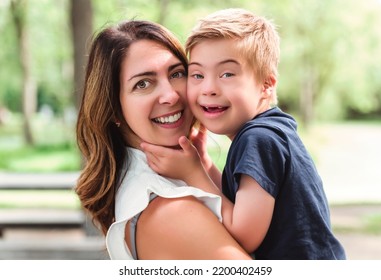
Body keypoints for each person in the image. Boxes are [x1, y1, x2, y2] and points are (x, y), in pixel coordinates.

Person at [141, 8, 346, 259]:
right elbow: (237, 204)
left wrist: (193, 173)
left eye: (227, 74)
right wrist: (205, 164)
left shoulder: (259, 139)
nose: (209, 88)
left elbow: (244, 236)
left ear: (266, 86)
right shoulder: (271, 130)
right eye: (197, 74)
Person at [75, 19, 251, 260]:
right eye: (143, 84)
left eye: (177, 73)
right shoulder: (170, 211)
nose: (170, 95)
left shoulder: (173, 180)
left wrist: (203, 168)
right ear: (114, 108)